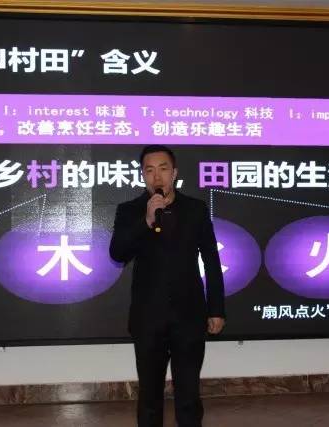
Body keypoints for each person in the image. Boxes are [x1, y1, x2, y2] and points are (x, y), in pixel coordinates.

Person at [109, 145, 226, 427]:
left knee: (188, 395)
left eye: (163, 169)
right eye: (149, 170)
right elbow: (117, 253)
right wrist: (147, 221)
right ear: (143, 175)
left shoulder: (195, 209)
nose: (157, 177)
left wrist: (216, 309)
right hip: (148, 318)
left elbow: (211, 260)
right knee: (150, 397)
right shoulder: (130, 211)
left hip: (189, 316)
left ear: (174, 173)